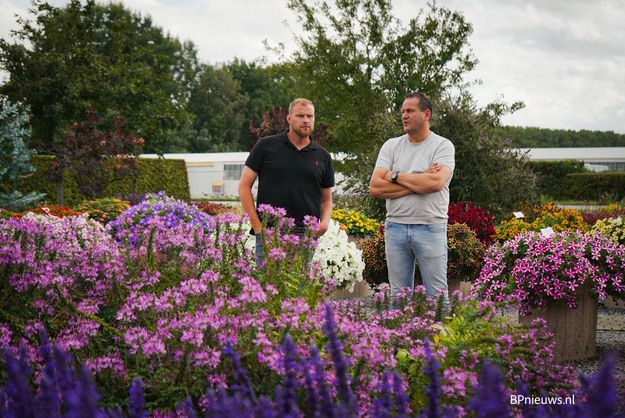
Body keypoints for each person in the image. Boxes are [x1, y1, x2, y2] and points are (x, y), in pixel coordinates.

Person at [369, 92, 455, 303]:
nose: (404, 116)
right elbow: (375, 188)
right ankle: (400, 328)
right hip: (395, 227)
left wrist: (394, 176)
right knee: (398, 297)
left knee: (437, 297)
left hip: (430, 227)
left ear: (427, 114)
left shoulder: (442, 146)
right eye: (403, 112)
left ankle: (438, 327)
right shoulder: (391, 146)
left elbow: (435, 184)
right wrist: (420, 179)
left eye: (410, 111)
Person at [238, 98, 335, 264]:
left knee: (299, 281)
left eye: (310, 116)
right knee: (268, 281)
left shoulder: (323, 156)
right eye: (300, 116)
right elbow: (244, 186)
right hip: (270, 234)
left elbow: (326, 199)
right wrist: (258, 227)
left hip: (305, 237)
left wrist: (324, 225)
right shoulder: (265, 146)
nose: (306, 120)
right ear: (289, 119)